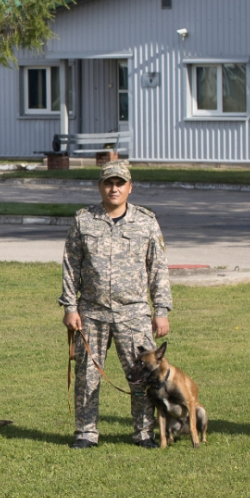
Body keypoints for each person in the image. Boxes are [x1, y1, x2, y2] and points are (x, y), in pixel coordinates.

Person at [60, 160, 172, 449]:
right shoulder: (84, 220)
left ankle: (143, 432)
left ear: (129, 187)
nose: (114, 189)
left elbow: (158, 268)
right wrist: (70, 307)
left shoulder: (146, 221)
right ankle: (86, 432)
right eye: (108, 183)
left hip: (134, 313)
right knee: (87, 375)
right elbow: (71, 265)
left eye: (120, 183)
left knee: (142, 375)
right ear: (100, 186)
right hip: (92, 312)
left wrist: (161, 311)